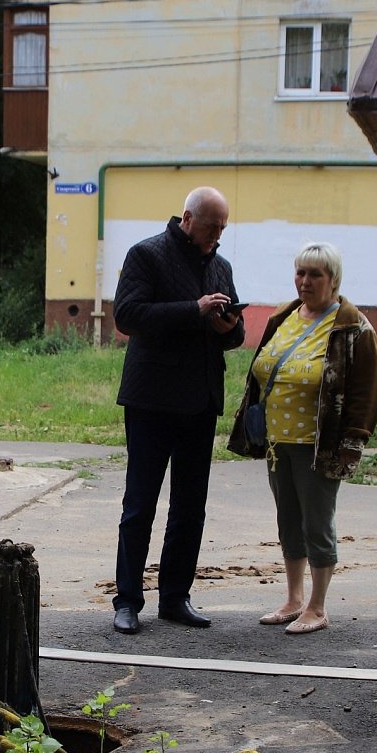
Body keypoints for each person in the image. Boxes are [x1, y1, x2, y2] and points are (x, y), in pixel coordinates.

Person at [111, 186, 245, 635]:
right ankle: (127, 600)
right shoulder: (146, 255)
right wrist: (194, 309)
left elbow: (232, 334)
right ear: (188, 218)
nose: (217, 236)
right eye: (211, 227)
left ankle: (175, 597)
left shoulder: (221, 266)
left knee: (191, 506)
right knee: (140, 503)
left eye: (223, 228)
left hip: (201, 400)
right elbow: (128, 315)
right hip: (151, 399)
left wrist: (229, 326)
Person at [227, 242, 377, 635]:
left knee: (317, 523)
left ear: (333, 280)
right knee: (289, 521)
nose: (305, 281)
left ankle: (317, 606)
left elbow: (365, 395)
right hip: (278, 441)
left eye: (315, 275)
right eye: (300, 273)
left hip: (319, 443)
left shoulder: (353, 327)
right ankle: (293, 599)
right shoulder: (285, 316)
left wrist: (352, 443)